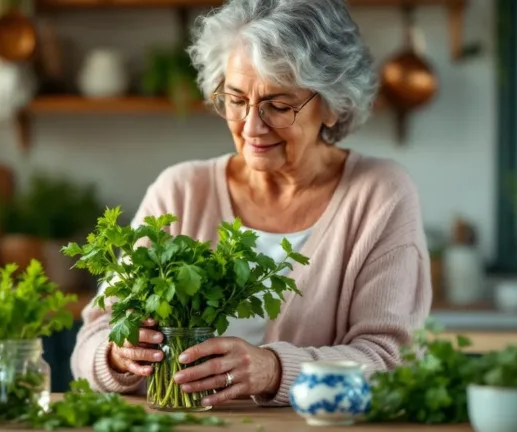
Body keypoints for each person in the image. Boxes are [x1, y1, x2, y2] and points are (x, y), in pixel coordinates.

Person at [70, 0, 432, 407]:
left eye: (278, 106)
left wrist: (274, 370)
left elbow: (393, 362)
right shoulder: (181, 191)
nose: (251, 127)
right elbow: (91, 341)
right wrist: (118, 355)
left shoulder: (380, 194)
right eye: (236, 100)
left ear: (334, 104)